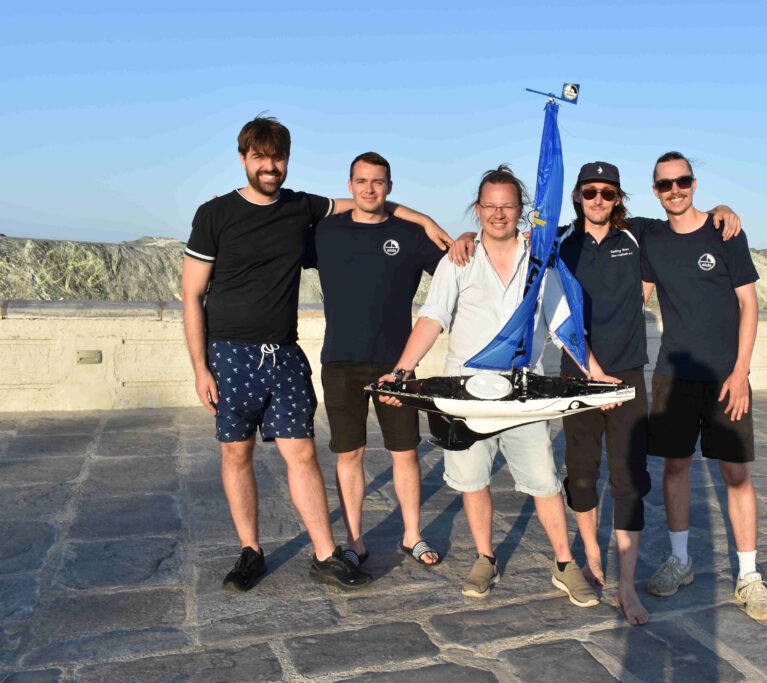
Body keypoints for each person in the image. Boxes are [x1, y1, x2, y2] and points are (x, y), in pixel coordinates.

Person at [182, 115, 451, 592]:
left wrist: (426, 220)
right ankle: (250, 551)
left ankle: (327, 555)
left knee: (303, 454)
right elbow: (191, 295)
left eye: (278, 158)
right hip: (231, 354)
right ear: (243, 159)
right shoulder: (214, 214)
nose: (270, 166)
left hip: (285, 354)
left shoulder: (300, 207)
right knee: (236, 454)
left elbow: (370, 203)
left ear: (287, 160)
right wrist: (201, 367)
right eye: (260, 157)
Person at [378, 165, 599, 608]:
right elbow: (433, 318)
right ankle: (485, 558)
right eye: (490, 206)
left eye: (508, 206)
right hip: (466, 395)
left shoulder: (541, 261)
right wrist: (402, 370)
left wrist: (595, 372)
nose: (499, 214)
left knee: (544, 483)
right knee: (472, 480)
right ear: (477, 209)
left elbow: (563, 325)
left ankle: (564, 564)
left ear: (521, 210)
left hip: (522, 391)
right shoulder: (457, 259)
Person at [556, 161, 742, 626]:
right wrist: (465, 237)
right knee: (581, 477)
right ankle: (592, 558)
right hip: (577, 377)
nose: (599, 200)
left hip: (626, 378)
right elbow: (504, 238)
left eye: (608, 193)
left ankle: (626, 587)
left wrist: (722, 209)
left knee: (629, 481)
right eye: (590, 192)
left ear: (619, 198)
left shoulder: (639, 235)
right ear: (578, 195)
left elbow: (688, 222)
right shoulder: (558, 242)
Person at [639, 151, 767, 621]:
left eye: (682, 181)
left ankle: (749, 575)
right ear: (655, 191)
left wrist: (741, 373)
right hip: (673, 375)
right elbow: (635, 296)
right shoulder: (651, 238)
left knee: (736, 474)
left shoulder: (725, 232)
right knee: (675, 467)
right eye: (665, 184)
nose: (674, 190)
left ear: (694, 184)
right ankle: (681, 560)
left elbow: (749, 305)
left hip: (725, 377)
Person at [315, 152, 444, 568]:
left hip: (396, 364)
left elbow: (456, 273)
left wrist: (453, 235)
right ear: (349, 186)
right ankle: (355, 541)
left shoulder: (411, 235)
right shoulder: (325, 231)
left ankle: (412, 535)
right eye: (361, 181)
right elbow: (271, 242)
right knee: (348, 454)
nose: (369, 189)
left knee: (405, 452)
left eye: (378, 182)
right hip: (340, 362)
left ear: (390, 186)